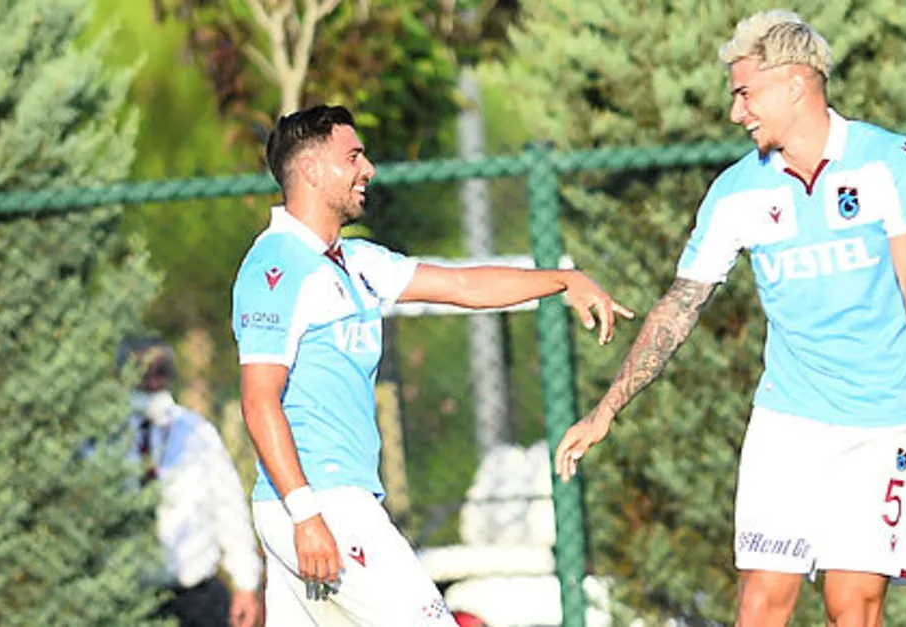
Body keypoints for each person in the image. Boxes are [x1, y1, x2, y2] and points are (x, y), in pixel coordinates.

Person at [553, 10, 906, 627]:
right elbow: (680, 306)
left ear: (794, 83)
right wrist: (607, 408)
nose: (737, 113)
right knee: (761, 601)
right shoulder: (736, 191)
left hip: (882, 424)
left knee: (852, 605)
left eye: (745, 93)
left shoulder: (890, 159)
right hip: (788, 422)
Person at [232, 104, 632, 626]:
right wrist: (306, 514)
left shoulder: (355, 262)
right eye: (352, 156)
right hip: (320, 504)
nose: (368, 168)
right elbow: (258, 401)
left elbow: (462, 285)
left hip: (323, 503)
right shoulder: (277, 267)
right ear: (310, 170)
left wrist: (561, 281)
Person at [118, 337, 263, 627]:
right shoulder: (105, 436)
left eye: (160, 371)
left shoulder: (195, 432)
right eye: (142, 371)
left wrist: (246, 583)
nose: (151, 381)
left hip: (195, 595)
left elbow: (228, 508)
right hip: (127, 596)